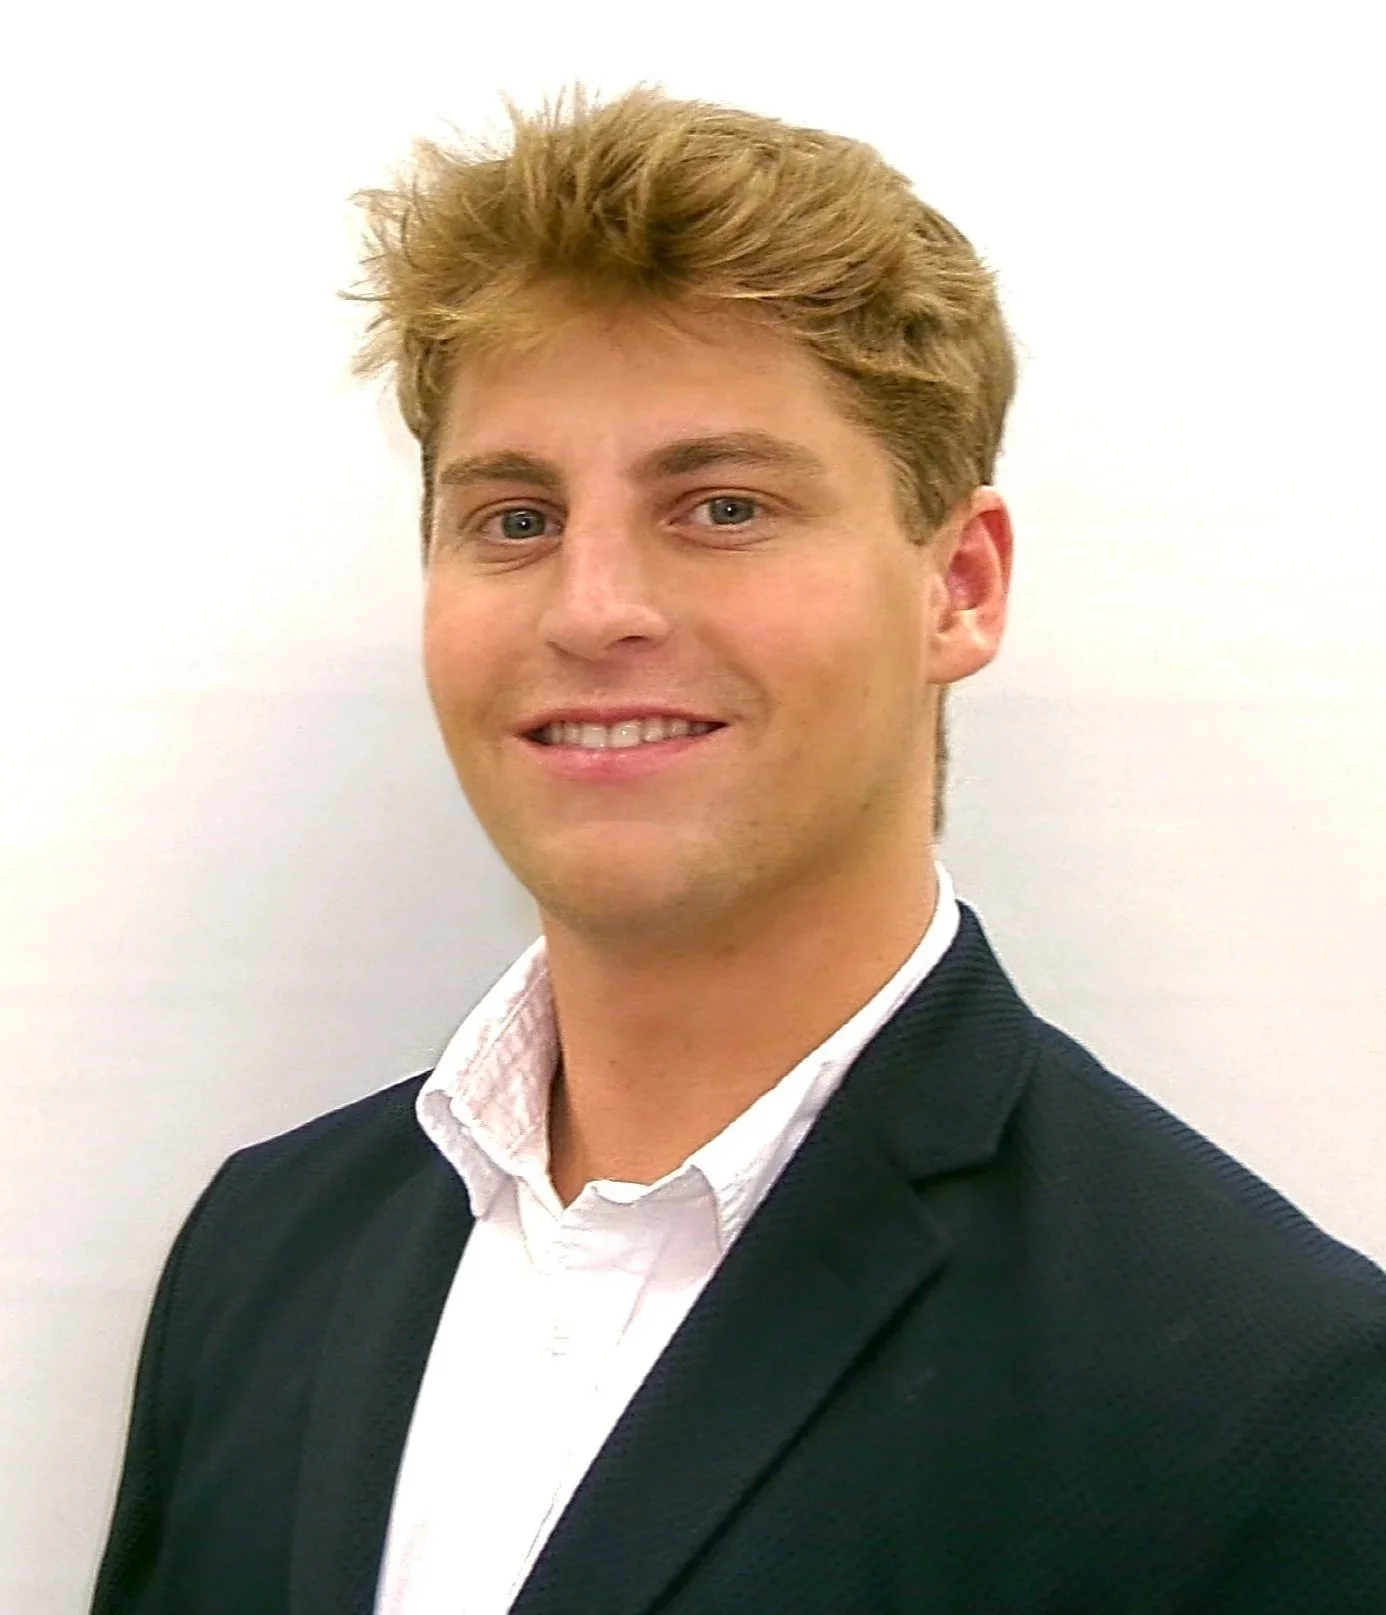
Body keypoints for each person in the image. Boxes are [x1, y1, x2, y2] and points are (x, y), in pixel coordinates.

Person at [92, 85, 1386, 1615]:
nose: (591, 608)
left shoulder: (1268, 1393)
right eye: (512, 519)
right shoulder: (265, 1248)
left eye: (720, 504)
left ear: (957, 586)